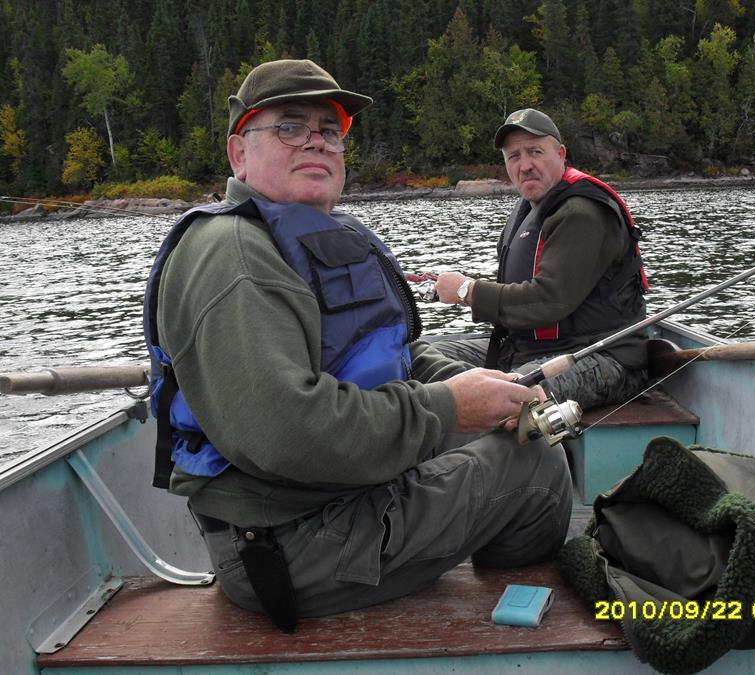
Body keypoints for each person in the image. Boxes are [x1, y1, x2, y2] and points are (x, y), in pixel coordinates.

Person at [142, 60, 571, 632]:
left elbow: (386, 356)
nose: (316, 141)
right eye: (289, 127)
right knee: (536, 466)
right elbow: (290, 433)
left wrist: (484, 392)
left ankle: (450, 559)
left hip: (330, 497)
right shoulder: (236, 256)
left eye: (330, 129)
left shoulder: (294, 234)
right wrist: (448, 407)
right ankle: (492, 618)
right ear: (238, 153)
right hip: (289, 545)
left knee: (519, 429)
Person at [432, 108, 650, 410]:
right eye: (514, 156)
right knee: (417, 358)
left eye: (535, 152)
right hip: (527, 350)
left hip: (600, 357)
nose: (525, 166)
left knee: (506, 396)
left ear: (561, 154)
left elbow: (548, 301)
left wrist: (466, 291)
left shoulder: (582, 212)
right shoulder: (529, 209)